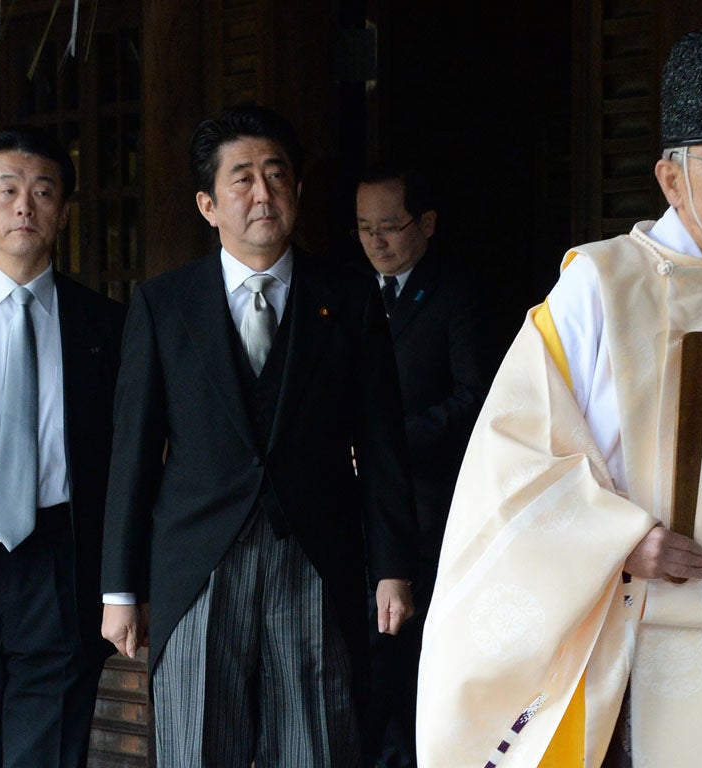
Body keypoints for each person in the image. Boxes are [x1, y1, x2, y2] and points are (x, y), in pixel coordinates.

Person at [415, 26, 702, 768]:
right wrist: (621, 539)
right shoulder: (599, 285)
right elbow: (515, 458)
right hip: (645, 635)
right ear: (670, 177)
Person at [99, 103, 418, 767]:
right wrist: (120, 589)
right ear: (208, 204)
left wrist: (392, 567)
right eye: (241, 179)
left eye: (276, 176)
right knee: (196, 746)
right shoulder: (164, 305)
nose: (262, 194)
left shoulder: (349, 298)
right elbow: (131, 452)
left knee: (318, 745)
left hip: (315, 555)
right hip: (197, 561)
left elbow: (383, 443)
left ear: (298, 193)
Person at [0, 127, 125, 767]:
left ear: (62, 213)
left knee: (47, 750)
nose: (24, 206)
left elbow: (128, 461)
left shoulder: (106, 324)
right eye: (7, 190)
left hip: (58, 554)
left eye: (42, 192)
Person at [354, 168, 495, 767]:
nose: (377, 242)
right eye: (365, 229)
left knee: (411, 653)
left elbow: (475, 397)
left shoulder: (457, 295)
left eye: (391, 226)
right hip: (356, 510)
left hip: (429, 504)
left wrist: (386, 444)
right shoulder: (350, 293)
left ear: (427, 224)